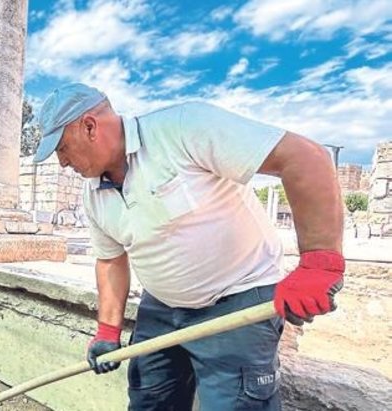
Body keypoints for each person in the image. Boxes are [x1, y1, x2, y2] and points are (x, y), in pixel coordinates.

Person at [34, 83, 344, 410]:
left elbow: (306, 158)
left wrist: (319, 263)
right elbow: (111, 261)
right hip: (162, 310)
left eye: (62, 149)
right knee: (150, 403)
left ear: (89, 126)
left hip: (237, 300)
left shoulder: (182, 128)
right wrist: (107, 331)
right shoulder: (93, 194)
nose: (63, 163)